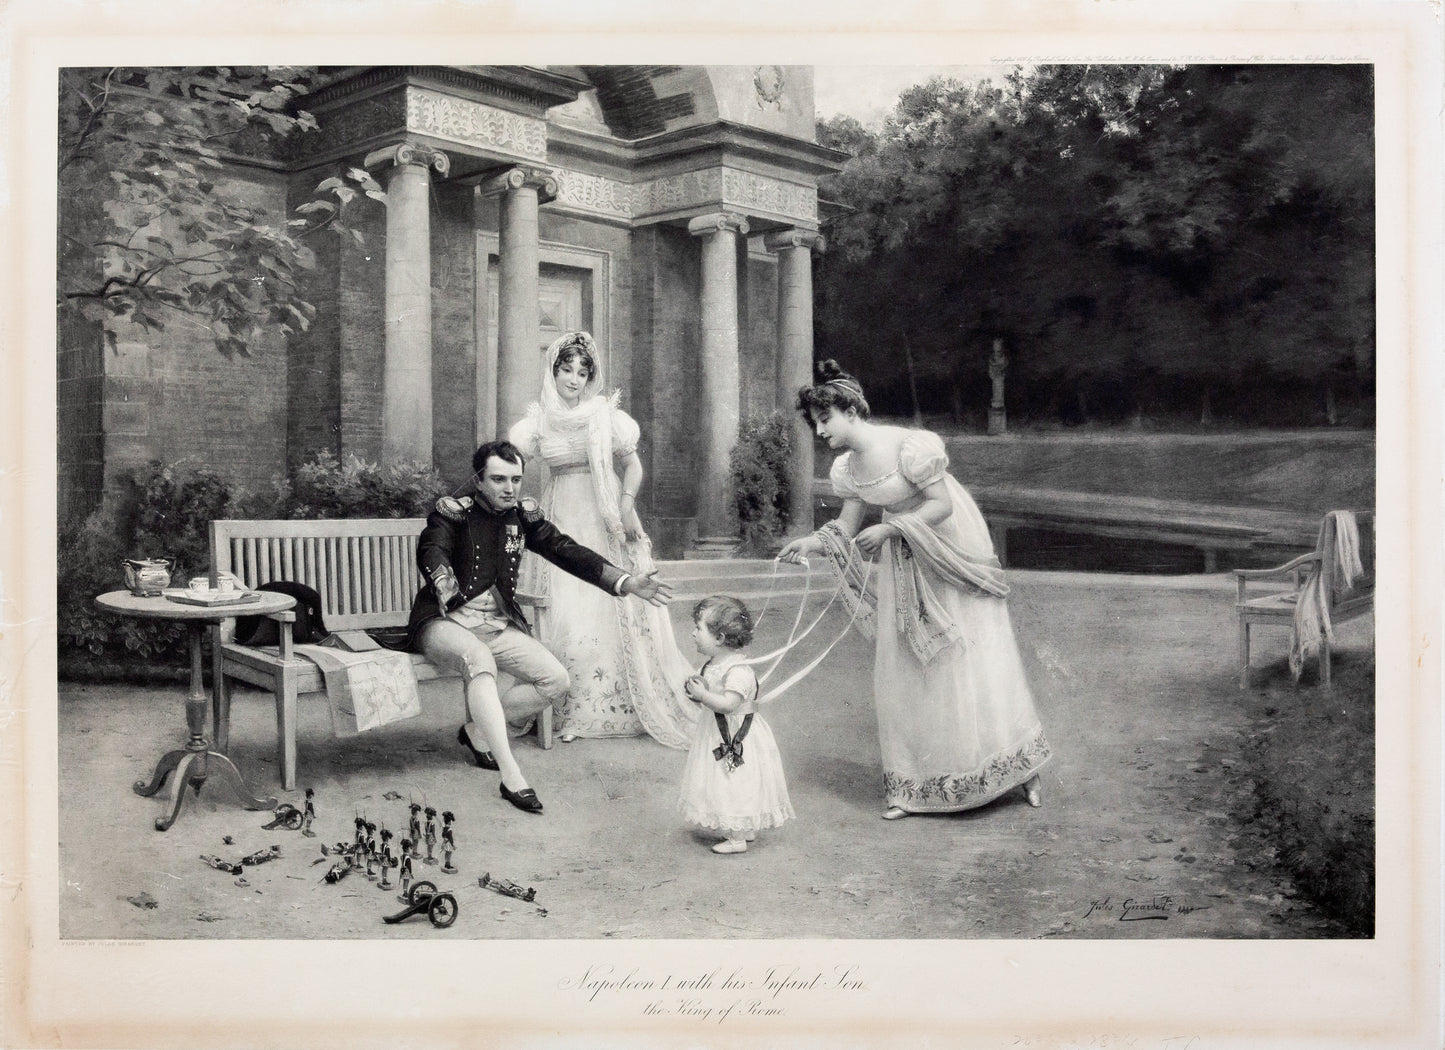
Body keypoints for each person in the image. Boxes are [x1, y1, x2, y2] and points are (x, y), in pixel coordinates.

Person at [778, 360, 1052, 820]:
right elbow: (847, 524)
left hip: (945, 545)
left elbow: (942, 505)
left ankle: (1018, 770)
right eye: (815, 423)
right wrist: (813, 542)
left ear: (849, 410)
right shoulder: (847, 466)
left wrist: (891, 531)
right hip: (905, 553)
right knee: (905, 661)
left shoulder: (909, 447)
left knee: (968, 655)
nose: (820, 431)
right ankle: (915, 784)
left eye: (825, 420)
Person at [406, 438, 673, 814]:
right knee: (479, 659)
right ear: (479, 480)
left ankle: (479, 731)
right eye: (499, 480)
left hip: (496, 623)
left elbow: (567, 550)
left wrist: (626, 582)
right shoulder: (452, 514)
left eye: (516, 480)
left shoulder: (522, 518)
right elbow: (432, 548)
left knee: (555, 680)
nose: (509, 488)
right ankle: (511, 774)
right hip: (444, 621)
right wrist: (444, 580)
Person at [507, 331, 697, 747]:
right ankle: (568, 707)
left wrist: (627, 506)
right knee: (569, 605)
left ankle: (613, 706)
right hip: (561, 516)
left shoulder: (605, 415)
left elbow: (632, 466)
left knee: (608, 605)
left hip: (606, 512)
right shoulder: (537, 423)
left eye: (582, 372)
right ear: (553, 371)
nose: (574, 379)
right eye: (566, 370)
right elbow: (510, 471)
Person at [677, 596, 793, 855]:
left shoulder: (738, 670)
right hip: (717, 731)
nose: (693, 633)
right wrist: (699, 695)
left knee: (735, 780)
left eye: (698, 628)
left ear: (719, 638)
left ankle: (738, 837)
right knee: (726, 779)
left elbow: (729, 704)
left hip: (738, 735)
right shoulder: (713, 665)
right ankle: (741, 827)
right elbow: (713, 700)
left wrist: (704, 696)